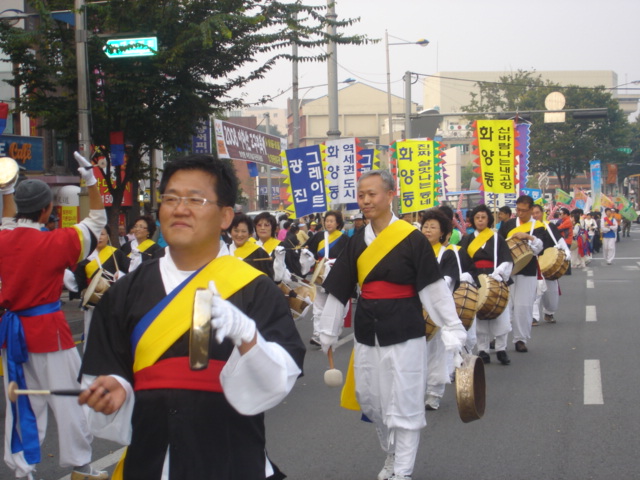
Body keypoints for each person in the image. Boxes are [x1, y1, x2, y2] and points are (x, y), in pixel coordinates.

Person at [78, 153, 305, 480]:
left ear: (225, 216)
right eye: (170, 198)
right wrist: (116, 389)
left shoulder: (256, 289)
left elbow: (276, 383)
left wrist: (248, 339)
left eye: (195, 199)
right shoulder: (125, 293)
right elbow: (101, 375)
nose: (179, 208)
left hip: (234, 461)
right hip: (150, 463)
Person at [318, 170, 467, 480]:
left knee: (405, 401)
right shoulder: (357, 240)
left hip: (405, 331)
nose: (366, 200)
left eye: (372, 194)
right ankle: (392, 454)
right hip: (367, 332)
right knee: (373, 402)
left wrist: (452, 329)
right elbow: (340, 289)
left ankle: (402, 471)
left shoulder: (412, 239)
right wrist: (328, 331)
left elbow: (433, 290)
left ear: (390, 194)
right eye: (361, 195)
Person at [0, 153, 108, 480]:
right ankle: (82, 467)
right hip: (49, 332)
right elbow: (97, 222)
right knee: (73, 399)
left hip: (12, 333)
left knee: (21, 403)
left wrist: (7, 188)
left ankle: (23, 470)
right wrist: (91, 181)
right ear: (48, 210)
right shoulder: (57, 241)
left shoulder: (3, 237)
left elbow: (7, 220)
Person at [421, 208, 474, 410]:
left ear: (443, 232)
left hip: (438, 311)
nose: (428, 230)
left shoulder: (448, 254)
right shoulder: (415, 252)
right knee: (416, 354)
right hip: (415, 310)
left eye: (433, 227)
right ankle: (415, 391)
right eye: (425, 226)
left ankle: (433, 394)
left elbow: (449, 280)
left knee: (437, 353)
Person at [458, 205, 513, 365]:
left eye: (483, 217)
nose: (480, 220)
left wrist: (499, 272)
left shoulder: (497, 238)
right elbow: (462, 261)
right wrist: (467, 275)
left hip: (495, 278)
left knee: (501, 315)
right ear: (473, 220)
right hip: (476, 279)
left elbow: (506, 259)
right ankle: (483, 350)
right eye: (477, 217)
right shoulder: (467, 239)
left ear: (489, 219)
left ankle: (501, 349)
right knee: (480, 316)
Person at [498, 195, 552, 353]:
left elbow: (540, 247)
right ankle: (499, 338)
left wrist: (528, 237)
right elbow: (499, 245)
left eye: (523, 210)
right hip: (507, 270)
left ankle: (520, 339)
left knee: (523, 306)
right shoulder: (508, 224)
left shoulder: (538, 226)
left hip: (527, 269)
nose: (520, 213)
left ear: (530, 210)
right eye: (518, 210)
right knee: (504, 305)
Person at [74, 226, 130, 342]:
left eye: (102, 234)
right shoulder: (84, 257)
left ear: (108, 237)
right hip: (93, 302)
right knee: (92, 334)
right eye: (96, 234)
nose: (99, 237)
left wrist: (121, 274)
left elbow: (130, 272)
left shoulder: (116, 254)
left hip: (113, 300)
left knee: (113, 334)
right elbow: (78, 282)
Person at [303, 210, 349, 347]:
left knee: (334, 306)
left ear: (338, 223)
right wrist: (305, 255)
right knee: (318, 306)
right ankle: (317, 333)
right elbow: (309, 251)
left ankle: (334, 329)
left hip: (336, 275)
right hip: (319, 275)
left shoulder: (344, 238)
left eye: (331, 221)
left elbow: (348, 257)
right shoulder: (318, 236)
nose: (328, 223)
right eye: (327, 221)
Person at [531, 204, 571, 325]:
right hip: (533, 263)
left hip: (549, 263)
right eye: (532, 213)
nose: (535, 215)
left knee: (551, 294)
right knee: (535, 290)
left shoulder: (549, 226)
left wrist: (566, 250)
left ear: (542, 213)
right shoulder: (526, 228)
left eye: (537, 212)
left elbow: (559, 240)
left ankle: (549, 312)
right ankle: (533, 317)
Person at [228, 213, 274, 279]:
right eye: (236, 231)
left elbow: (268, 279)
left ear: (249, 234)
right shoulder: (225, 251)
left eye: (244, 231)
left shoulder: (259, 253)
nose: (239, 235)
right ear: (230, 232)